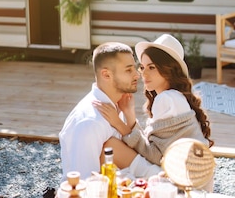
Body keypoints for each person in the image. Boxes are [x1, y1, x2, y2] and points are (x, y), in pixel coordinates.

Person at [93, 34, 213, 170]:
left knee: (111, 148)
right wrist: (129, 114)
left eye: (152, 67)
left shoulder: (166, 99)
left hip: (184, 181)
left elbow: (155, 156)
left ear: (169, 69)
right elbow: (155, 148)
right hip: (193, 175)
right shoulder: (174, 96)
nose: (143, 74)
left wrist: (118, 123)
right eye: (143, 67)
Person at [59, 41, 161, 180]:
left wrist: (129, 114)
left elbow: (138, 154)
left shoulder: (118, 105)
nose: (137, 75)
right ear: (106, 75)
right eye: (128, 70)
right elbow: (85, 182)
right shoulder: (90, 122)